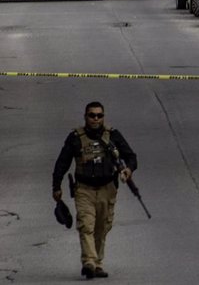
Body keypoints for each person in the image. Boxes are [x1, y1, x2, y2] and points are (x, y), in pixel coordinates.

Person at [52, 101, 137, 280]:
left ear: (103, 117)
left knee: (102, 227)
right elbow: (62, 162)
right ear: (85, 117)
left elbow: (131, 156)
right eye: (92, 115)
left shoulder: (112, 135)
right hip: (84, 190)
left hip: (108, 188)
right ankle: (89, 262)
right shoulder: (75, 138)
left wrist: (128, 169)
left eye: (99, 115)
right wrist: (56, 186)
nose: (96, 119)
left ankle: (97, 263)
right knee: (86, 225)